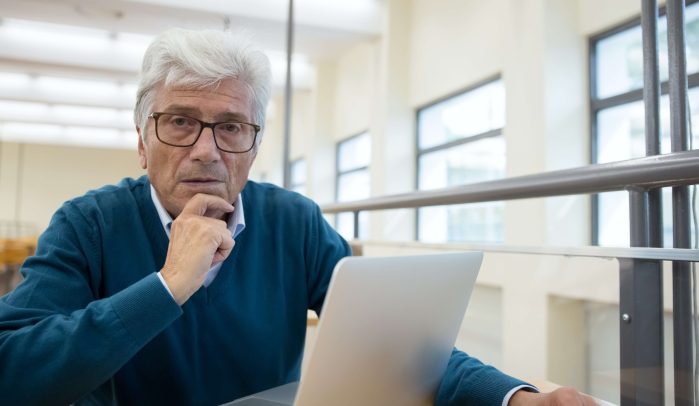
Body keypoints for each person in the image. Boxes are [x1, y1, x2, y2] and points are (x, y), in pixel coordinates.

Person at [0, 28, 595, 406]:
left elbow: (403, 345)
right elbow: (14, 373)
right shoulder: (87, 224)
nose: (207, 150)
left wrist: (517, 399)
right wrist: (166, 286)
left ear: (253, 146)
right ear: (141, 139)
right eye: (180, 121)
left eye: (231, 127)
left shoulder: (296, 223)